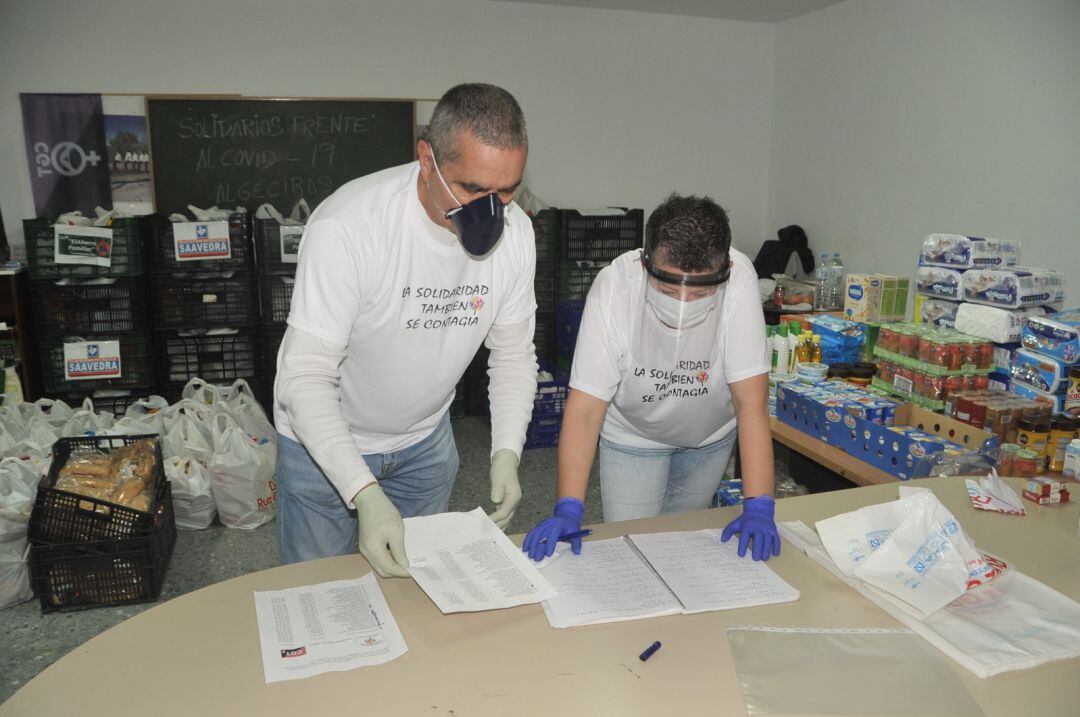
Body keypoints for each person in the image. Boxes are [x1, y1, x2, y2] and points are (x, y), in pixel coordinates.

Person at [275, 83, 539, 576]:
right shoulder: (351, 227)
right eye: (473, 189)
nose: (493, 210)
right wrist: (363, 493)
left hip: (424, 441)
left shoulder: (517, 236)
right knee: (316, 587)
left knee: (417, 585)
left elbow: (513, 355)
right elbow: (304, 378)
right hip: (323, 441)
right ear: (427, 158)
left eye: (507, 191)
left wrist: (506, 452)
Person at [523, 194, 779, 562]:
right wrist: (568, 507)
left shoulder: (740, 279)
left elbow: (751, 403)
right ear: (646, 265)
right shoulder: (615, 287)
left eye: (702, 292)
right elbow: (584, 411)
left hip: (709, 437)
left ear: (723, 271)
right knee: (632, 550)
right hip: (633, 437)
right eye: (668, 289)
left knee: (681, 548)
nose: (684, 304)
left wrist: (759, 505)